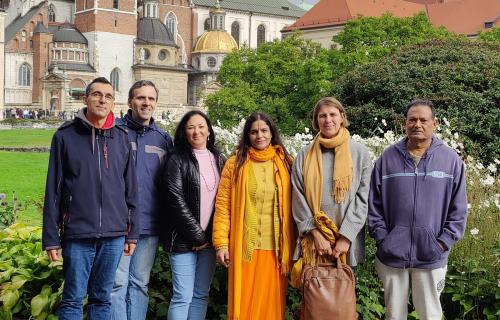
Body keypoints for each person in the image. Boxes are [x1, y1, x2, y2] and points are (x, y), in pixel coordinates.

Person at [42, 77, 139, 319]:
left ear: (113, 102)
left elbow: (132, 190)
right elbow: (53, 189)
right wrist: (51, 238)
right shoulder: (65, 136)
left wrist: (133, 232)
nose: (102, 100)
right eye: (96, 94)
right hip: (78, 233)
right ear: (85, 99)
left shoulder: (122, 137)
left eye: (107, 96)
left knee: (102, 299)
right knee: (73, 300)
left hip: (114, 234)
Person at [368, 99, 468, 320]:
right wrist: (384, 239)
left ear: (435, 123)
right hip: (392, 256)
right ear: (405, 123)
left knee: (430, 315)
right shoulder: (387, 158)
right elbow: (373, 204)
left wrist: (441, 243)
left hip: (431, 256)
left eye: (423, 120)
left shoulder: (451, 161)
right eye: (412, 120)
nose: (417, 124)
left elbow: (459, 210)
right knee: (394, 315)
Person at [213, 112, 295, 320]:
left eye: (264, 130)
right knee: (245, 306)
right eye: (254, 131)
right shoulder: (235, 164)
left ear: (272, 133)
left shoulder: (286, 163)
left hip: (276, 250)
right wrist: (221, 243)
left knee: (271, 307)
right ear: (247, 135)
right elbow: (223, 206)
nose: (259, 135)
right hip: (244, 248)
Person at [110, 80, 173, 320]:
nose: (146, 103)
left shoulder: (163, 139)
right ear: (129, 101)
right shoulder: (114, 132)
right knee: (116, 285)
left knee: (139, 283)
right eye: (140, 98)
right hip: (118, 223)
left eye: (151, 99)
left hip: (148, 225)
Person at [292, 97, 372, 271]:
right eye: (322, 116)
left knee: (342, 293)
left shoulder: (360, 153)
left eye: (333, 114)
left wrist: (346, 236)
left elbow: (363, 197)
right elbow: (298, 196)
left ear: (342, 117)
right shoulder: (305, 154)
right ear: (316, 121)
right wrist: (316, 233)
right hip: (315, 243)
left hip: (345, 245)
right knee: (313, 294)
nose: (328, 120)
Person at [164, 110, 225, 320]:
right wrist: (197, 236)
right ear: (184, 132)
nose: (196, 131)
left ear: (209, 130)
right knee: (182, 296)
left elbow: (224, 202)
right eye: (191, 127)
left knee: (200, 295)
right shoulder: (176, 159)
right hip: (183, 240)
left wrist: (210, 238)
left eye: (201, 126)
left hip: (209, 241)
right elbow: (175, 200)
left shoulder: (219, 159)